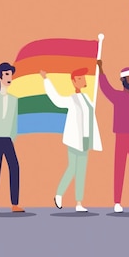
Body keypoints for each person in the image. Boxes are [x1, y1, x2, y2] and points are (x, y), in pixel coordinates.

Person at [41, 67, 102, 212]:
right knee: (72, 168)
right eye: (80, 78)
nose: (83, 80)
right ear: (74, 82)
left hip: (86, 139)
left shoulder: (87, 98)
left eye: (84, 77)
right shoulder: (71, 99)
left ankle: (79, 202)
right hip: (75, 139)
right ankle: (59, 194)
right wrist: (46, 80)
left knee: (81, 171)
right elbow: (57, 100)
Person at [97, 60, 129, 213]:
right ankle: (117, 202)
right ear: (124, 81)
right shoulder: (117, 96)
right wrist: (101, 69)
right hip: (121, 136)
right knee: (120, 168)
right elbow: (105, 88)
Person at [0, 61, 25, 213]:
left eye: (10, 74)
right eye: (6, 74)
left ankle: (15, 203)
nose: (10, 77)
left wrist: (12, 137)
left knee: (14, 167)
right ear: (0, 77)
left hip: (7, 139)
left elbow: (14, 121)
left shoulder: (14, 99)